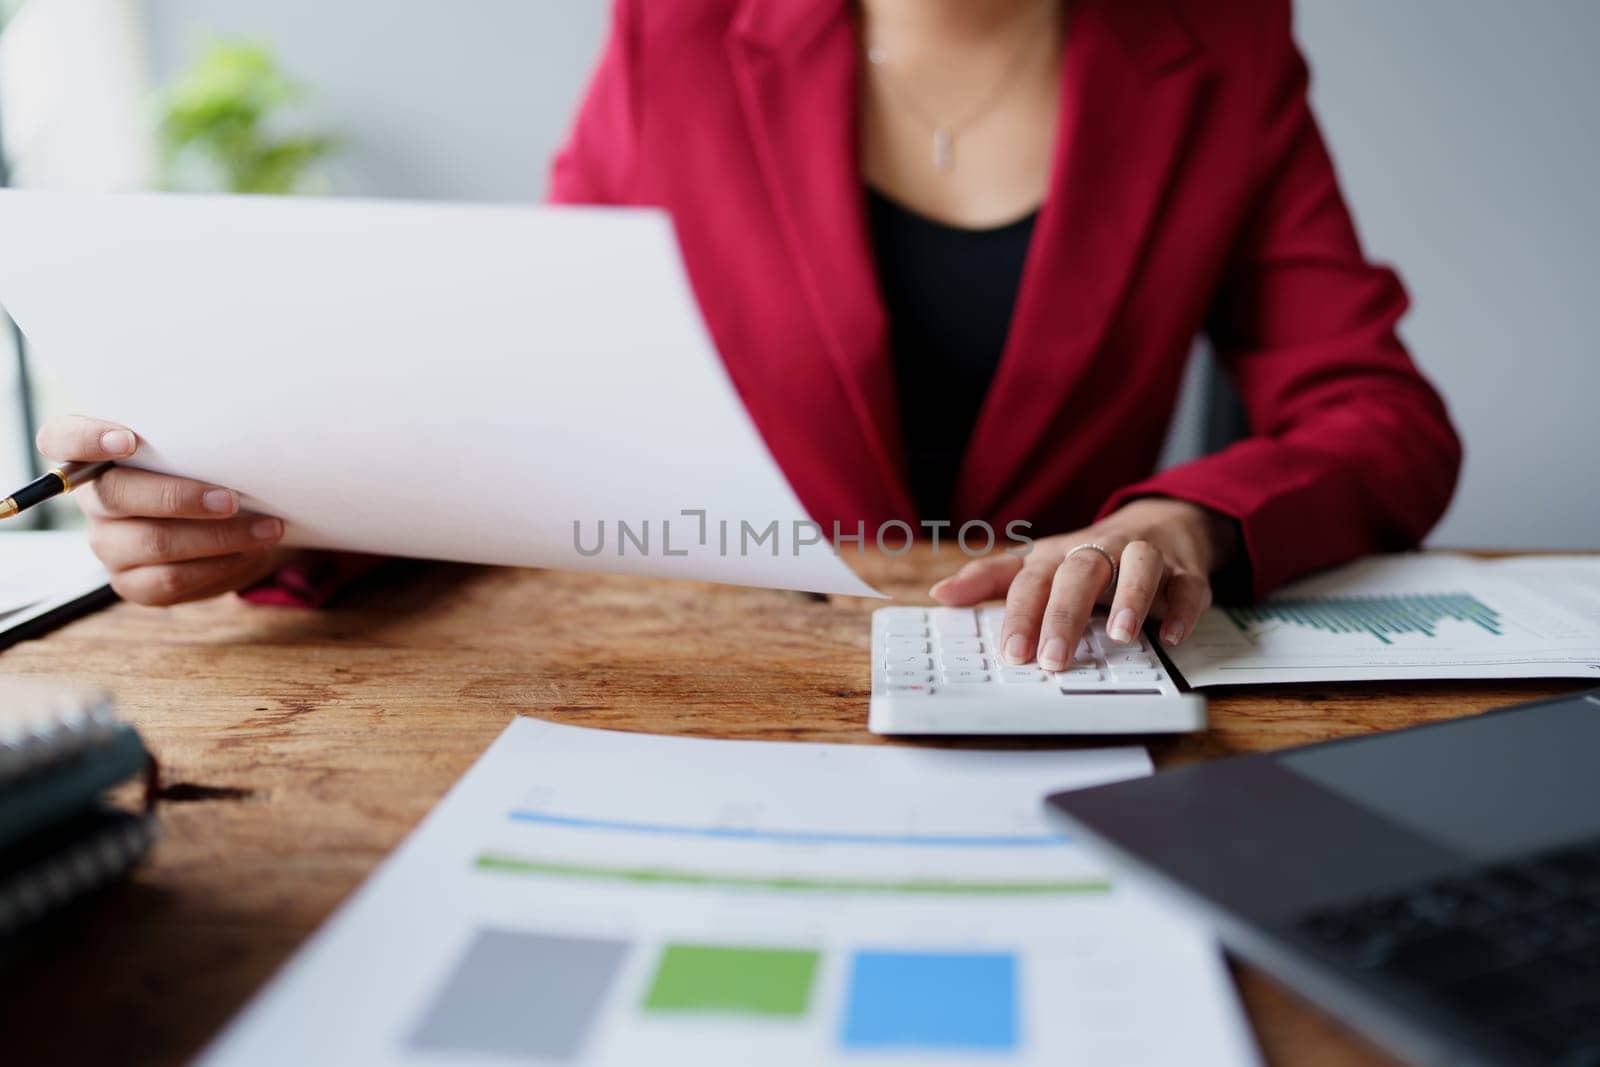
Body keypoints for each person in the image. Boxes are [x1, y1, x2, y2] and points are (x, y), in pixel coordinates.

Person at [36, 0, 1460, 672]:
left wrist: (1180, 522)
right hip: (719, 676)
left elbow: (1375, 412)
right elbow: (521, 389)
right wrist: (271, 515)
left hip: (1063, 682)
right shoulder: (678, 37)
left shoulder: (1222, 48)